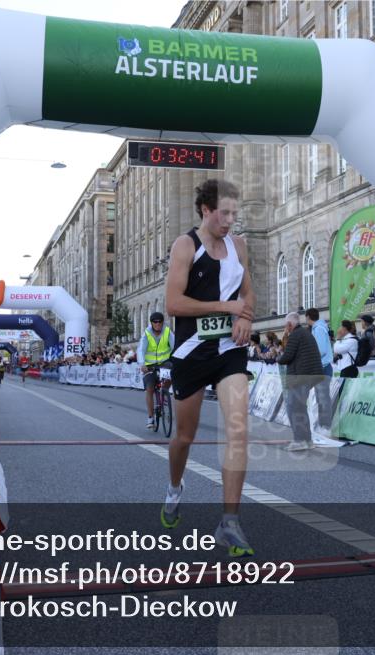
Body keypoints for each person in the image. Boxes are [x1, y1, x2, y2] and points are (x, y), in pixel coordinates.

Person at [160, 179, 257, 557]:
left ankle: (229, 522)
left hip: (229, 350)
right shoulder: (186, 245)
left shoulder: (239, 246)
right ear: (205, 210)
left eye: (235, 213)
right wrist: (226, 307)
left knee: (238, 429)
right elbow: (173, 303)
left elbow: (248, 291)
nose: (231, 220)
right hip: (190, 351)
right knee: (185, 437)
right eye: (224, 213)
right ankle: (174, 486)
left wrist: (246, 313)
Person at [277, 312, 328, 451]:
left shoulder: (295, 335)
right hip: (310, 374)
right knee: (299, 407)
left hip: (302, 375)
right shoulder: (304, 332)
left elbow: (287, 357)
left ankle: (300, 440)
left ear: (289, 324)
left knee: (293, 407)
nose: (285, 328)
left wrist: (278, 357)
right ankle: (307, 440)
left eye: (285, 325)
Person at [138, 312, 175, 429]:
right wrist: (142, 364)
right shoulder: (147, 334)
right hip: (150, 365)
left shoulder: (168, 332)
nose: (158, 324)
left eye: (160, 322)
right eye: (155, 322)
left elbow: (175, 346)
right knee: (149, 388)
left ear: (163, 322)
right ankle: (150, 417)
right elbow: (141, 350)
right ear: (152, 323)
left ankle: (164, 391)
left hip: (164, 363)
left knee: (171, 374)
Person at [305, 308, 333, 436]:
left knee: (323, 398)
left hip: (322, 366)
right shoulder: (319, 328)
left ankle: (326, 427)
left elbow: (321, 350)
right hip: (321, 366)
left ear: (308, 317)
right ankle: (323, 426)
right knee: (321, 398)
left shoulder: (319, 329)